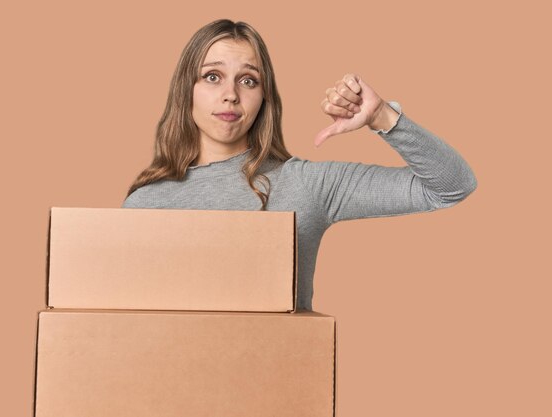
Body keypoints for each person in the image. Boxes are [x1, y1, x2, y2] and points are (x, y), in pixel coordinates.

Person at [122, 19, 477, 311]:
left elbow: (451, 185)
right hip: (171, 392)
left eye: (248, 80)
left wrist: (383, 116)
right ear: (187, 89)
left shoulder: (304, 184)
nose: (230, 93)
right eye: (212, 76)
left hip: (284, 389)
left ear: (264, 98)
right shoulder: (146, 202)